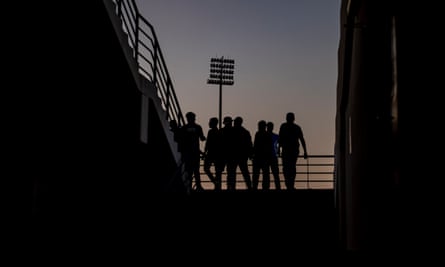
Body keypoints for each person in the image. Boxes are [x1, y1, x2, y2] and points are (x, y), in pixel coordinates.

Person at [278, 112, 308, 190]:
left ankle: (290, 184)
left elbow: (301, 139)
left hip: (292, 150)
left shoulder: (293, 127)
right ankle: (289, 184)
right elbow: (280, 139)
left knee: (290, 167)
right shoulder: (286, 127)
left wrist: (305, 151)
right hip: (288, 150)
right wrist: (278, 150)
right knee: (288, 168)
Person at [180, 112, 206, 192]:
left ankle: (189, 186)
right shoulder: (198, 127)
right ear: (194, 118)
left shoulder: (184, 128)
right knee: (196, 171)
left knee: (189, 171)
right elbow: (202, 138)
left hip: (188, 153)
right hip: (195, 153)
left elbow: (181, 141)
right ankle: (198, 186)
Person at [227, 116, 253, 190]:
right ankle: (249, 186)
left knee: (231, 173)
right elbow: (249, 144)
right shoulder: (245, 132)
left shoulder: (231, 131)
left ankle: (231, 187)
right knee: (245, 172)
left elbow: (227, 143)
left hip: (233, 156)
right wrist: (250, 154)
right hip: (242, 156)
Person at [252, 120, 273, 190]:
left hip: (258, 157)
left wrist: (253, 154)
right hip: (265, 158)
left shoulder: (257, 134)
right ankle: (265, 187)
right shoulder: (268, 135)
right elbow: (270, 147)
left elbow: (255, 146)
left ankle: (255, 187)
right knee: (266, 174)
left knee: (256, 174)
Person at [203, 117, 221, 190]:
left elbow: (208, 143)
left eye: (210, 122)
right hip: (216, 154)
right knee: (217, 171)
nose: (209, 123)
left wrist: (205, 151)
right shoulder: (218, 132)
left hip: (211, 153)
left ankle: (215, 183)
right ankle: (217, 184)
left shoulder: (211, 132)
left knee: (206, 168)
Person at [266, 121, 281, 190]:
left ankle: (267, 187)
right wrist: (278, 149)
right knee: (275, 173)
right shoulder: (275, 136)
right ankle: (277, 187)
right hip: (273, 156)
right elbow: (281, 142)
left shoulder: (264, 135)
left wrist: (278, 149)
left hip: (268, 156)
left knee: (267, 173)